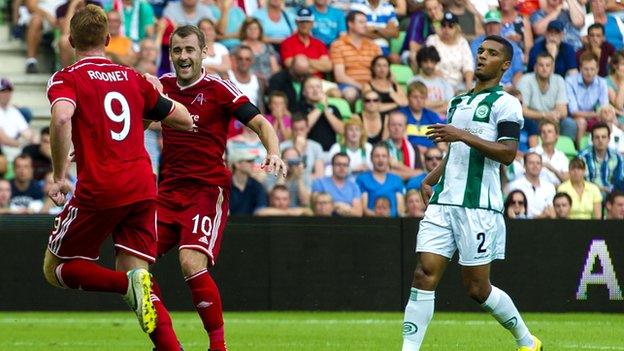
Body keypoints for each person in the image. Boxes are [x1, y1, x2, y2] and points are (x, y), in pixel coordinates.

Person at [43, 5, 193, 350]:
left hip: (101, 189)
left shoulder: (67, 77)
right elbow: (184, 120)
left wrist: (59, 176)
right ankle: (172, 347)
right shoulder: (134, 78)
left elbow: (63, 118)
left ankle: (123, 286)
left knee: (57, 269)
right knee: (139, 275)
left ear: (70, 40)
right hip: (142, 186)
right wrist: (157, 93)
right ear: (109, 40)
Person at [402, 35, 542, 351]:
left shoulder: (507, 103)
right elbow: (455, 153)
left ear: (505, 65)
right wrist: (431, 177)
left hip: (479, 206)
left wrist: (461, 134)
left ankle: (527, 340)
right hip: (444, 201)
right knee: (424, 274)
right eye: (480, 51)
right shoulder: (458, 101)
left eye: (491, 54)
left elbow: (507, 153)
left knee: (477, 289)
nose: (482, 57)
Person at [156, 24, 286, 351]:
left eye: (189, 50)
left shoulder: (219, 88)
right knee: (133, 262)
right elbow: (135, 124)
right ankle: (165, 341)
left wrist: (274, 153)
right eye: (176, 50)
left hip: (205, 191)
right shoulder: (161, 88)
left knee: (190, 262)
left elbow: (260, 123)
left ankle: (218, 346)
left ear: (204, 52)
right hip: (167, 192)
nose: (183, 57)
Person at [518, 52, 574, 144]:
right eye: (541, 65)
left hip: (553, 120)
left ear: (553, 68)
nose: (544, 68)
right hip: (532, 120)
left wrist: (554, 116)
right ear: (535, 67)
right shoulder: (525, 80)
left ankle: (567, 151)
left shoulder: (558, 80)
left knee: (569, 124)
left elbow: (563, 111)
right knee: (529, 124)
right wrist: (545, 115)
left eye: (548, 65)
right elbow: (522, 110)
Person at [329, 10, 382, 104]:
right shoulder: (338, 45)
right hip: (349, 85)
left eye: (365, 22)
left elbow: (382, 69)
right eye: (361, 22)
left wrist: (372, 86)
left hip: (372, 84)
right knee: (350, 94)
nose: (365, 25)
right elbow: (340, 76)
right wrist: (362, 87)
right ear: (350, 24)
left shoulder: (373, 45)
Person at [470, 10, 525, 88]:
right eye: (489, 24)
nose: (492, 27)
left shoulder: (511, 45)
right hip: (482, 83)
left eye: (495, 24)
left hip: (507, 85)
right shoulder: (476, 43)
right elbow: (472, 68)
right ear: (484, 26)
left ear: (500, 25)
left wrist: (513, 88)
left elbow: (518, 71)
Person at [425, 12, 474, 93]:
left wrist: (468, 84)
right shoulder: (433, 40)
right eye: (444, 25)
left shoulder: (462, 42)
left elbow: (468, 65)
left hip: (458, 84)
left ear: (457, 28)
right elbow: (427, 61)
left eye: (450, 26)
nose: (446, 29)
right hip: (437, 82)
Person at [566, 52, 609, 143]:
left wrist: (603, 114)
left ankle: (608, 150)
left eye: (592, 69)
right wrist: (595, 114)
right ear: (580, 68)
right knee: (581, 122)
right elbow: (573, 111)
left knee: (608, 120)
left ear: (597, 69)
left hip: (593, 116)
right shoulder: (570, 81)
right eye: (586, 69)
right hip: (574, 117)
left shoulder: (602, 82)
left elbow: (604, 106)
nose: (589, 73)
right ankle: (579, 151)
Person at [280, 8, 332, 78]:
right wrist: (317, 65)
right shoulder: (287, 42)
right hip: (297, 81)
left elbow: (328, 66)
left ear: (312, 23)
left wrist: (304, 61)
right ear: (296, 22)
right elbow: (290, 65)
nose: (304, 24)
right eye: (302, 21)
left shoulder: (319, 43)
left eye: (307, 21)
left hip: (319, 82)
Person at [356, 142, 404, 217]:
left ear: (389, 159)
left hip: (394, 224)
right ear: (371, 158)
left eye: (384, 156)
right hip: (371, 222)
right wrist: (380, 216)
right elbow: (364, 209)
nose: (380, 159)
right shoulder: (362, 179)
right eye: (377, 156)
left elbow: (401, 210)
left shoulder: (396, 180)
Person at [297, 76, 345, 151]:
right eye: (311, 87)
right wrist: (321, 106)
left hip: (330, 151)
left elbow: (341, 130)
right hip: (308, 151)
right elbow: (304, 127)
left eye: (318, 87)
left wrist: (325, 108)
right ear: (304, 92)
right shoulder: (299, 108)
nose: (315, 90)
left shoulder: (333, 108)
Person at [578, 122, 624, 195]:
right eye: (597, 137)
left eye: (603, 137)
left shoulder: (617, 157)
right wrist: (601, 189)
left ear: (609, 139)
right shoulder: (582, 157)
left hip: (612, 195)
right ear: (592, 140)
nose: (600, 140)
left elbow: (619, 180)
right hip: (589, 194)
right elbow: (579, 182)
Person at [312, 152, 364, 216]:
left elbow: (358, 213)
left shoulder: (354, 186)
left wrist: (334, 206)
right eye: (338, 164)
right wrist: (338, 205)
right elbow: (316, 207)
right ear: (332, 166)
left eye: (345, 165)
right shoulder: (320, 183)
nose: (342, 167)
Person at [508, 152, 557, 218]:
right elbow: (511, 213)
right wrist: (540, 217)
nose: (535, 166)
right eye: (531, 163)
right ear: (524, 165)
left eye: (538, 163)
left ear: (541, 166)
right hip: (521, 225)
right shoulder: (514, 186)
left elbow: (552, 213)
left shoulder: (550, 187)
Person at [408, 46, 454, 116]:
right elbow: (416, 104)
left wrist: (430, 110)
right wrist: (441, 102)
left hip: (442, 121)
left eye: (432, 62)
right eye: (425, 62)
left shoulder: (444, 83)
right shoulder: (413, 81)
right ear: (420, 63)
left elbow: (450, 105)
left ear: (436, 63)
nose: (429, 65)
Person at [400, 81, 444, 152]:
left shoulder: (432, 116)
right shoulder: (401, 115)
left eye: (422, 97)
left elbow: (441, 144)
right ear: (408, 97)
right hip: (409, 153)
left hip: (430, 156)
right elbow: (399, 142)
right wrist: (416, 149)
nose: (419, 100)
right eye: (415, 97)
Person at [384, 110, 424, 180]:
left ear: (405, 127)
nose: (396, 128)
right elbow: (384, 173)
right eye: (393, 125)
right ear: (388, 127)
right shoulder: (381, 147)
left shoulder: (413, 148)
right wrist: (412, 173)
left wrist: (398, 166)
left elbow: (420, 173)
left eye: (400, 125)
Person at [529, 120, 570, 186]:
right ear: (540, 135)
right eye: (543, 132)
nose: (546, 134)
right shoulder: (532, 153)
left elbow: (567, 181)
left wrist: (553, 169)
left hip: (558, 192)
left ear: (556, 135)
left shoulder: (562, 156)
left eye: (549, 131)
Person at [229, 149, 268, 215]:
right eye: (249, 161)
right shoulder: (225, 185)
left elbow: (261, 210)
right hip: (228, 224)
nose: (253, 164)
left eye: (253, 161)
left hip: (251, 224)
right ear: (237, 164)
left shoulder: (257, 186)